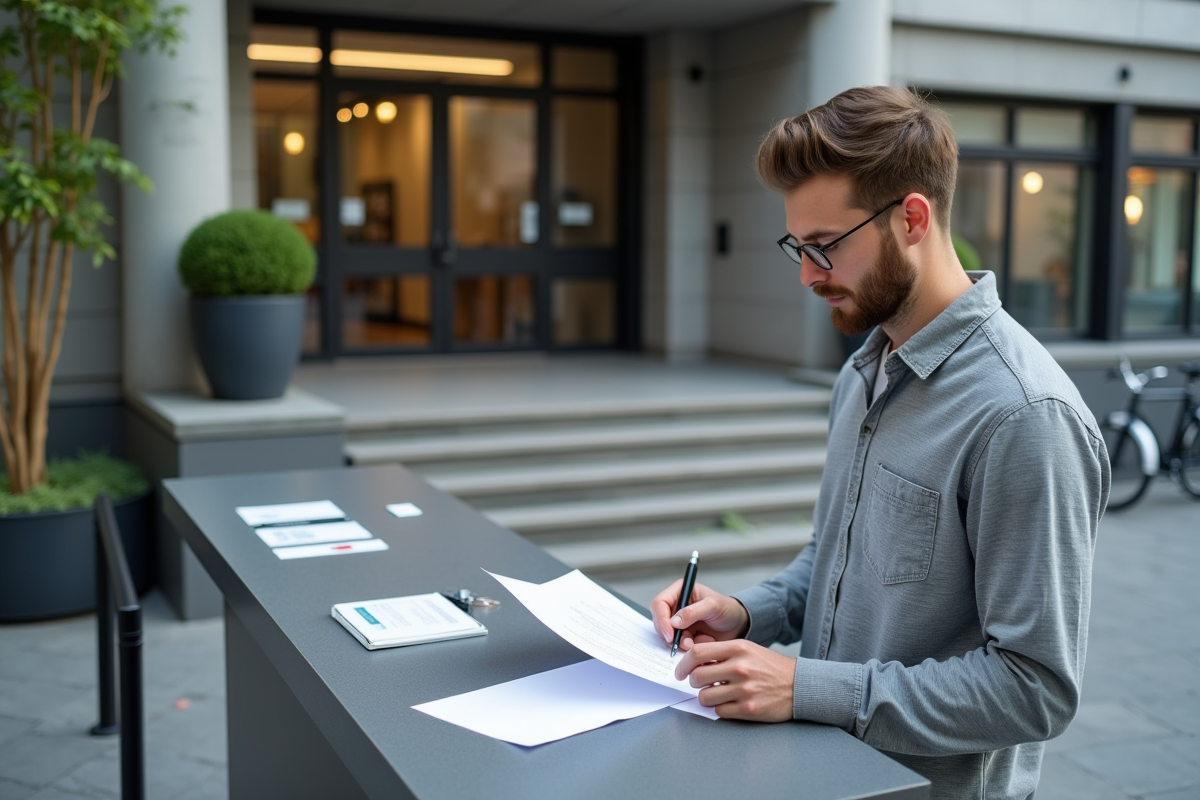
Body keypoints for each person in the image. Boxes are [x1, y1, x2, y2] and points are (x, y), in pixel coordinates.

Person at [650, 86, 1110, 800]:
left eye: (826, 246)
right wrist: (748, 613)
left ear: (913, 219)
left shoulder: (1025, 416)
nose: (807, 274)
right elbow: (836, 560)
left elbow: (1035, 690)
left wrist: (805, 685)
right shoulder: (866, 371)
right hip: (823, 775)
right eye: (797, 247)